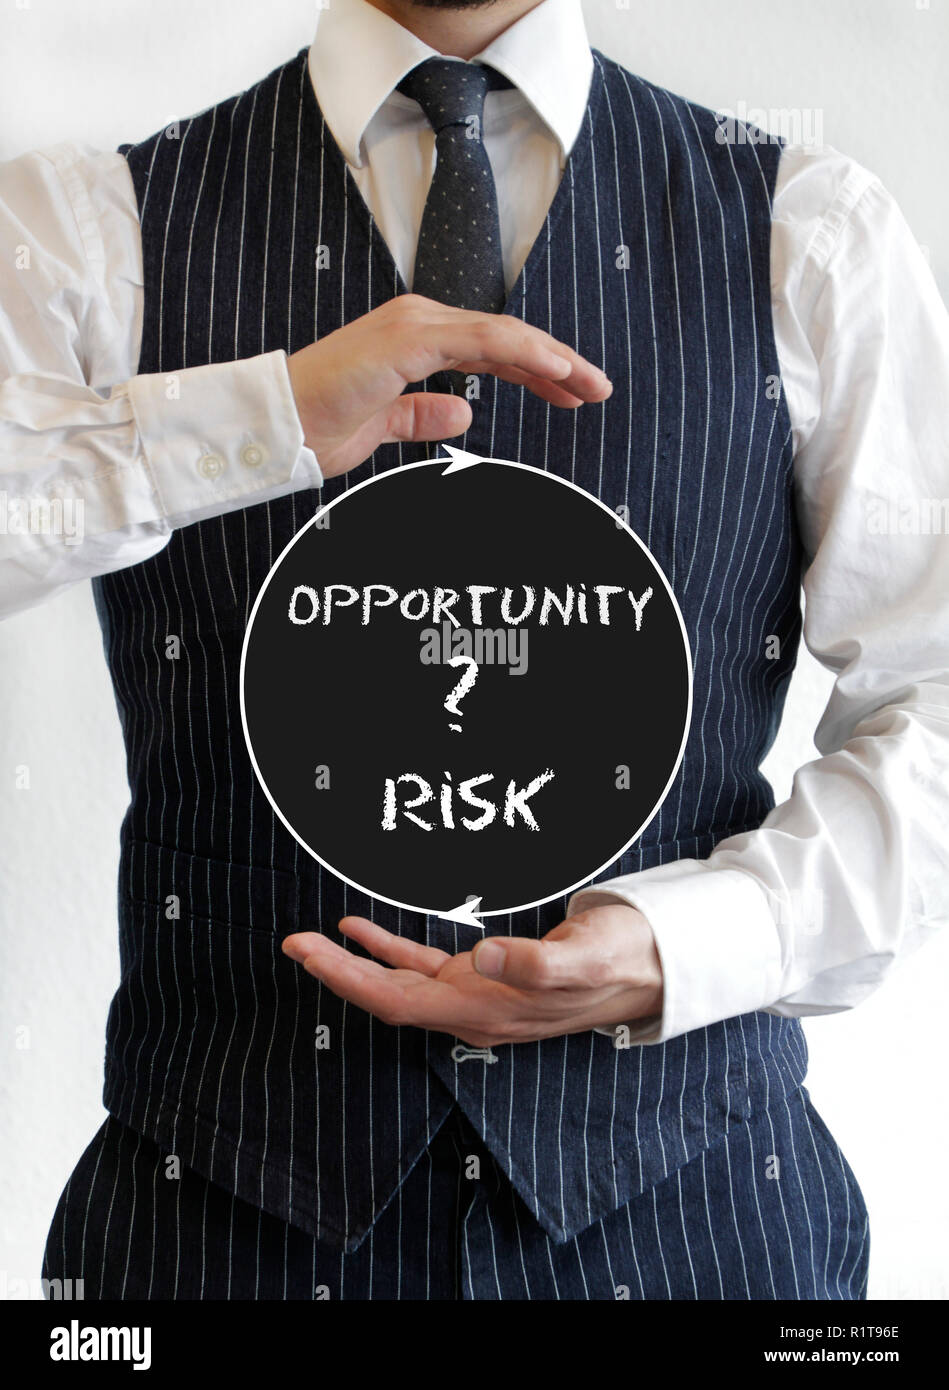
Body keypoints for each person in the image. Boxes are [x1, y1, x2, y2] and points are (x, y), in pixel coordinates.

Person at [2, 0, 947, 1300]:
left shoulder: (812, 228)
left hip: (701, 1229)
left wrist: (697, 940)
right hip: (207, 1232)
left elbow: (937, 686)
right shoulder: (83, 229)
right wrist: (259, 412)